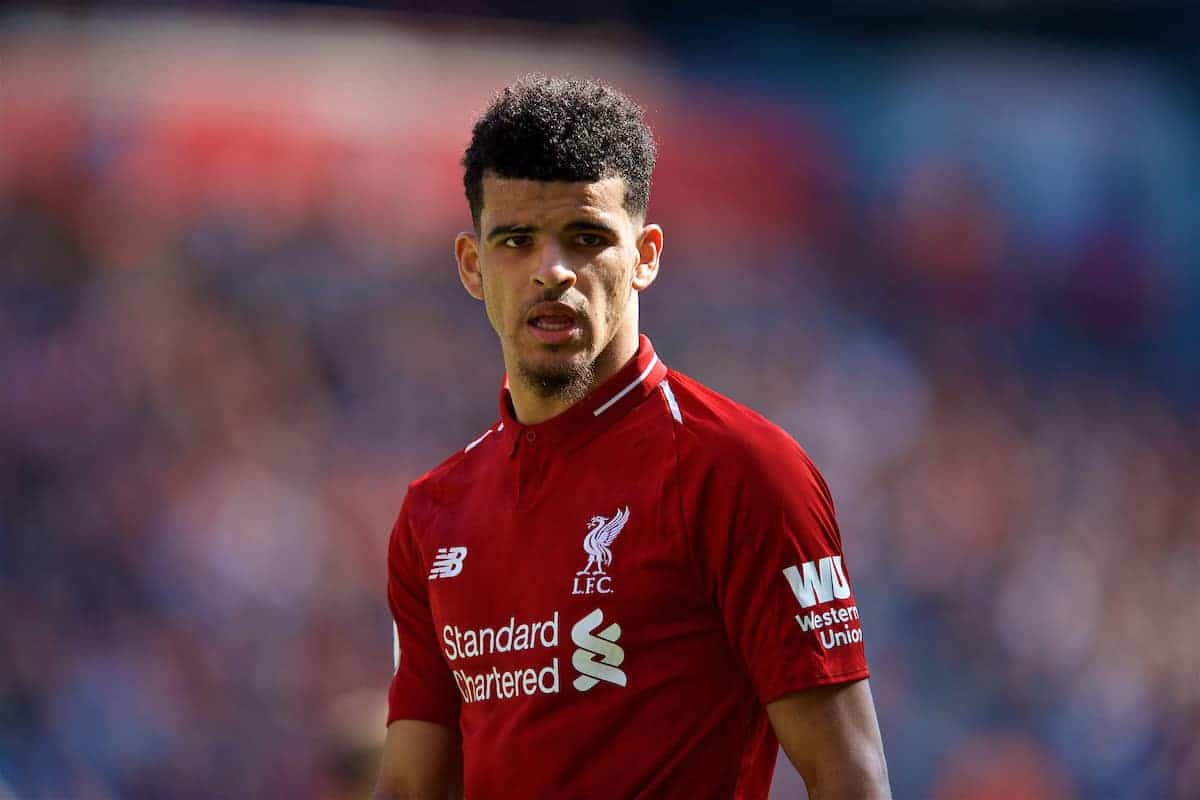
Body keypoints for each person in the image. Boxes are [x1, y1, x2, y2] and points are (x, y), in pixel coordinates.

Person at [373, 74, 891, 800]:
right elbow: (407, 786)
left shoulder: (743, 470)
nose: (551, 271)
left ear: (645, 254)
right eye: (516, 241)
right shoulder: (434, 515)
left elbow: (849, 775)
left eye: (586, 238)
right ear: (471, 265)